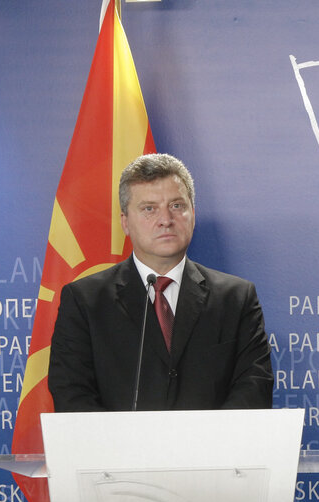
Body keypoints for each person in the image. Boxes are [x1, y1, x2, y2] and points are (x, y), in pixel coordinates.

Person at [48, 153, 273, 411]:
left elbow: (255, 386)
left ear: (193, 214)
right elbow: (72, 393)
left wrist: (207, 446)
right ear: (125, 222)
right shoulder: (84, 301)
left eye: (177, 206)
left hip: (211, 450)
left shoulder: (236, 298)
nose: (166, 220)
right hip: (118, 450)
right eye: (149, 209)